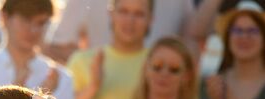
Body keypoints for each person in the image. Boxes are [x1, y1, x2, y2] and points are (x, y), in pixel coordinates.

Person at [44, 0, 195, 64]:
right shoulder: (83, 63)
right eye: (123, 11)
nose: (130, 20)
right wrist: (102, 68)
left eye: (139, 14)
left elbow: (191, 52)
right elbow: (55, 48)